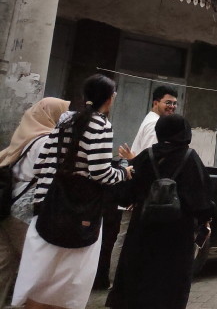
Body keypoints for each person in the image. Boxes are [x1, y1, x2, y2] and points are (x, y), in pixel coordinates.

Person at [12, 74, 132, 309]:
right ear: (109, 98)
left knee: (40, 274)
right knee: (70, 279)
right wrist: (124, 173)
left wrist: (43, 198)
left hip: (50, 205)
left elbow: (45, 162)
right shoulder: (102, 125)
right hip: (81, 210)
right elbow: (100, 172)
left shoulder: (65, 120)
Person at [107, 114, 212, 309]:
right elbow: (202, 197)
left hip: (144, 227)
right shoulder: (191, 158)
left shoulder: (147, 155)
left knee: (142, 277)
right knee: (171, 282)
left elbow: (124, 194)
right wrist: (205, 221)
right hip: (178, 233)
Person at [0, 98, 69, 305]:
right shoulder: (47, 141)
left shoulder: (26, 135)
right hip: (25, 212)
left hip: (7, 206)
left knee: (4, 263)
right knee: (37, 271)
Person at [108, 85, 179, 284]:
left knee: (127, 236)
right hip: (140, 192)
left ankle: (119, 282)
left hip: (138, 189)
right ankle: (117, 283)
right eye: (168, 102)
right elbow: (149, 161)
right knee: (126, 237)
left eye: (174, 103)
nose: (172, 107)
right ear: (155, 103)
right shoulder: (154, 125)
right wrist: (139, 188)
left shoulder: (154, 121)